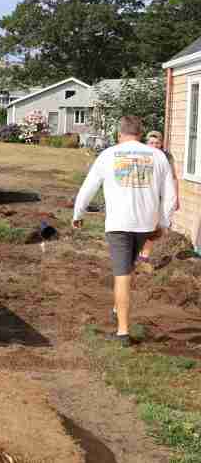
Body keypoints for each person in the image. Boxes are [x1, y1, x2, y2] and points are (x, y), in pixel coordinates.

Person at [73, 116, 176, 346]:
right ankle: (117, 307)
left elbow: (88, 186)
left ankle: (122, 332)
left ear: (120, 134)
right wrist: (164, 224)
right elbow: (170, 195)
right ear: (140, 133)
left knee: (122, 275)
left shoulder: (109, 154)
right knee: (128, 269)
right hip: (145, 224)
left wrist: (78, 214)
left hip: (119, 223)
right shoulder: (158, 156)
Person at [136, 130, 180, 272]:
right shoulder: (141, 155)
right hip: (143, 195)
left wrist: (176, 198)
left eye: (157, 143)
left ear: (161, 144)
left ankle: (143, 258)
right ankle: (137, 256)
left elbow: (173, 178)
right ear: (146, 143)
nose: (154, 145)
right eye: (151, 143)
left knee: (154, 228)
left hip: (161, 197)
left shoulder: (167, 157)